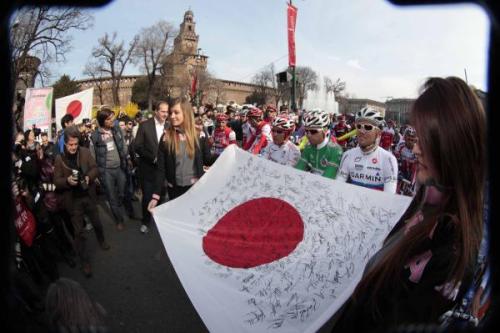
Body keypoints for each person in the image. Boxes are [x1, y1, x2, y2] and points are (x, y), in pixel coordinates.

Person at [332, 77, 487, 331]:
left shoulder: (455, 248)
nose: (415, 149)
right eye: (416, 136)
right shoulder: (429, 192)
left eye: (427, 140)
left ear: (454, 147)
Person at [53, 126, 109, 277]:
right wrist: (67, 181)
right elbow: (56, 181)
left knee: (97, 222)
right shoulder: (59, 158)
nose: (73, 147)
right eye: (70, 144)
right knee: (79, 233)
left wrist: (88, 177)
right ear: (64, 143)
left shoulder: (84, 151)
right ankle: (84, 262)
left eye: (75, 144)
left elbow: (95, 168)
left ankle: (101, 239)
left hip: (88, 196)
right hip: (73, 201)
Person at [148, 97, 215, 208]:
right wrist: (156, 196)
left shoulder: (200, 135)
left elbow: (207, 159)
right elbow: (161, 169)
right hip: (174, 191)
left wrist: (225, 153)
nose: (172, 116)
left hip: (196, 189)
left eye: (176, 112)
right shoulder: (166, 137)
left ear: (186, 113)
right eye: (171, 112)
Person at [337, 107, 398, 193]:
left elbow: (389, 196)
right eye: (359, 126)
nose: (362, 131)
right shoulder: (348, 155)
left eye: (368, 127)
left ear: (378, 133)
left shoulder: (388, 159)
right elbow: (338, 188)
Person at [90, 107, 128, 230]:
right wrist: (96, 174)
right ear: (103, 121)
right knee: (112, 196)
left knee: (122, 192)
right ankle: (119, 220)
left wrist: (125, 156)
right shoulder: (95, 136)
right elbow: (92, 156)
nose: (112, 120)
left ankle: (119, 205)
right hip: (106, 172)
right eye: (109, 119)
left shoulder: (116, 129)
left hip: (120, 168)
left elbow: (123, 145)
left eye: (112, 117)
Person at [133, 101, 169, 233]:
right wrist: (152, 157)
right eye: (163, 111)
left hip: (164, 169)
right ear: (156, 111)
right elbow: (137, 146)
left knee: (162, 195)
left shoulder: (169, 126)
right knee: (148, 197)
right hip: (148, 169)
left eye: (167, 111)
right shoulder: (144, 126)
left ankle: (158, 219)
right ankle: (146, 221)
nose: (165, 114)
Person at [295, 109, 343, 179]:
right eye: (306, 131)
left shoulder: (335, 150)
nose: (308, 135)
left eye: (313, 131)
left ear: (325, 130)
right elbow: (297, 171)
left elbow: (327, 178)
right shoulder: (308, 147)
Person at [393, 126, 418, 196]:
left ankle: (411, 187)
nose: (410, 139)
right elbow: (395, 158)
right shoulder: (401, 145)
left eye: (412, 138)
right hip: (402, 168)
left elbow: (416, 165)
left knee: (415, 166)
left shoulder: (417, 148)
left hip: (412, 171)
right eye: (408, 137)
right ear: (405, 138)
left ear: (415, 139)